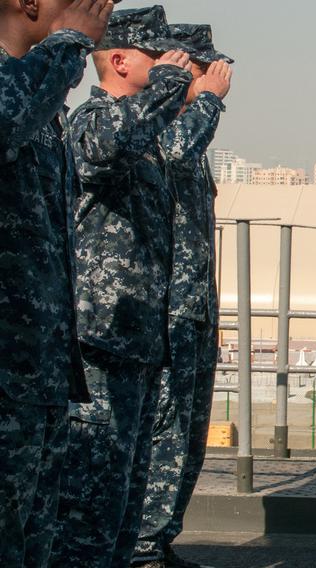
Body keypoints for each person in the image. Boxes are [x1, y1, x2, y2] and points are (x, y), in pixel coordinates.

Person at [50, 6, 193, 566]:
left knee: (124, 503)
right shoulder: (95, 118)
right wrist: (171, 90)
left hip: (137, 341)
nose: (166, 66)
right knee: (92, 506)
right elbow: (106, 150)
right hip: (100, 341)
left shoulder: (143, 131)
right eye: (154, 57)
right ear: (117, 60)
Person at [0, 1, 114, 565]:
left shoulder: (46, 103)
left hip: (40, 362)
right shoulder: (22, 86)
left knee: (36, 534)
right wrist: (68, 45)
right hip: (6, 364)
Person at [133, 23, 233, 568]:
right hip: (163, 312)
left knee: (187, 435)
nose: (217, 79)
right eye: (205, 68)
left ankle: (160, 538)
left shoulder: (191, 133)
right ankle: (140, 547)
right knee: (161, 430)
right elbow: (169, 156)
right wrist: (204, 105)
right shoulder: (159, 126)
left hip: (193, 309)